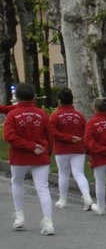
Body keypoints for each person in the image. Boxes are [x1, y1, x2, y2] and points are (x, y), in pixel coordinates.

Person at [4, 83, 54, 235]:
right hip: (41, 154)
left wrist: (29, 146)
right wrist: (46, 152)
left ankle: (19, 216)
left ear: (16, 97)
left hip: (19, 155)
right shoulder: (42, 114)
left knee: (17, 183)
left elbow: (9, 136)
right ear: (33, 96)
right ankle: (48, 221)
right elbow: (50, 136)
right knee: (42, 187)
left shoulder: (12, 115)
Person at [48, 88, 93, 211]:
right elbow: (87, 131)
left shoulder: (55, 116)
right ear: (72, 101)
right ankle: (87, 197)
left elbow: (52, 132)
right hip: (78, 148)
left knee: (63, 174)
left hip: (62, 149)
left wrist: (67, 137)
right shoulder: (79, 115)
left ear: (59, 101)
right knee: (79, 173)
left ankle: (63, 200)